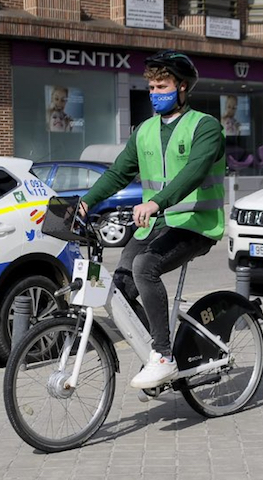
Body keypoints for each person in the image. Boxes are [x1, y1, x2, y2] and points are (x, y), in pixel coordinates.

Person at [78, 50, 226, 390]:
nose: (155, 93)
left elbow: (193, 172)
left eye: (162, 86)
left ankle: (163, 355)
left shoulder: (205, 127)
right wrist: (86, 202)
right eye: (151, 87)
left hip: (195, 223)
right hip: (157, 224)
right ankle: (154, 353)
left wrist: (157, 202)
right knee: (120, 289)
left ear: (182, 88)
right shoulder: (144, 131)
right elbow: (117, 173)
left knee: (145, 266)